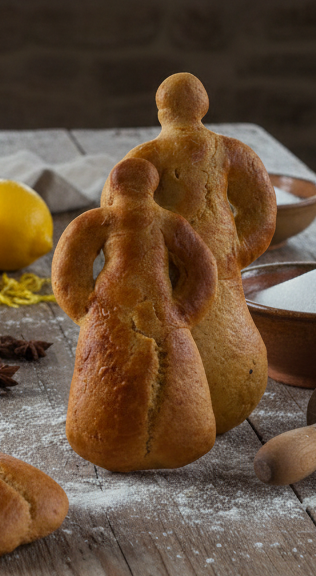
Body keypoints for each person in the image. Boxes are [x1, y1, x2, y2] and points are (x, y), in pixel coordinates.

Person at [100, 73, 276, 434]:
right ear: (201, 105)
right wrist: (232, 255)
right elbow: (262, 213)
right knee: (231, 337)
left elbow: (112, 215)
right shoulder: (230, 150)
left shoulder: (144, 155)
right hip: (210, 274)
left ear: (162, 109)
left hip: (167, 279)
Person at [53, 157, 218, 471]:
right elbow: (202, 272)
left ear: (114, 187)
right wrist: (184, 313)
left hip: (108, 312)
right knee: (175, 370)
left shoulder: (95, 220)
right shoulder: (171, 222)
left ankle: (100, 434)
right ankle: (183, 433)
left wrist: (86, 312)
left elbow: (67, 275)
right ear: (152, 187)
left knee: (103, 366)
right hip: (163, 312)